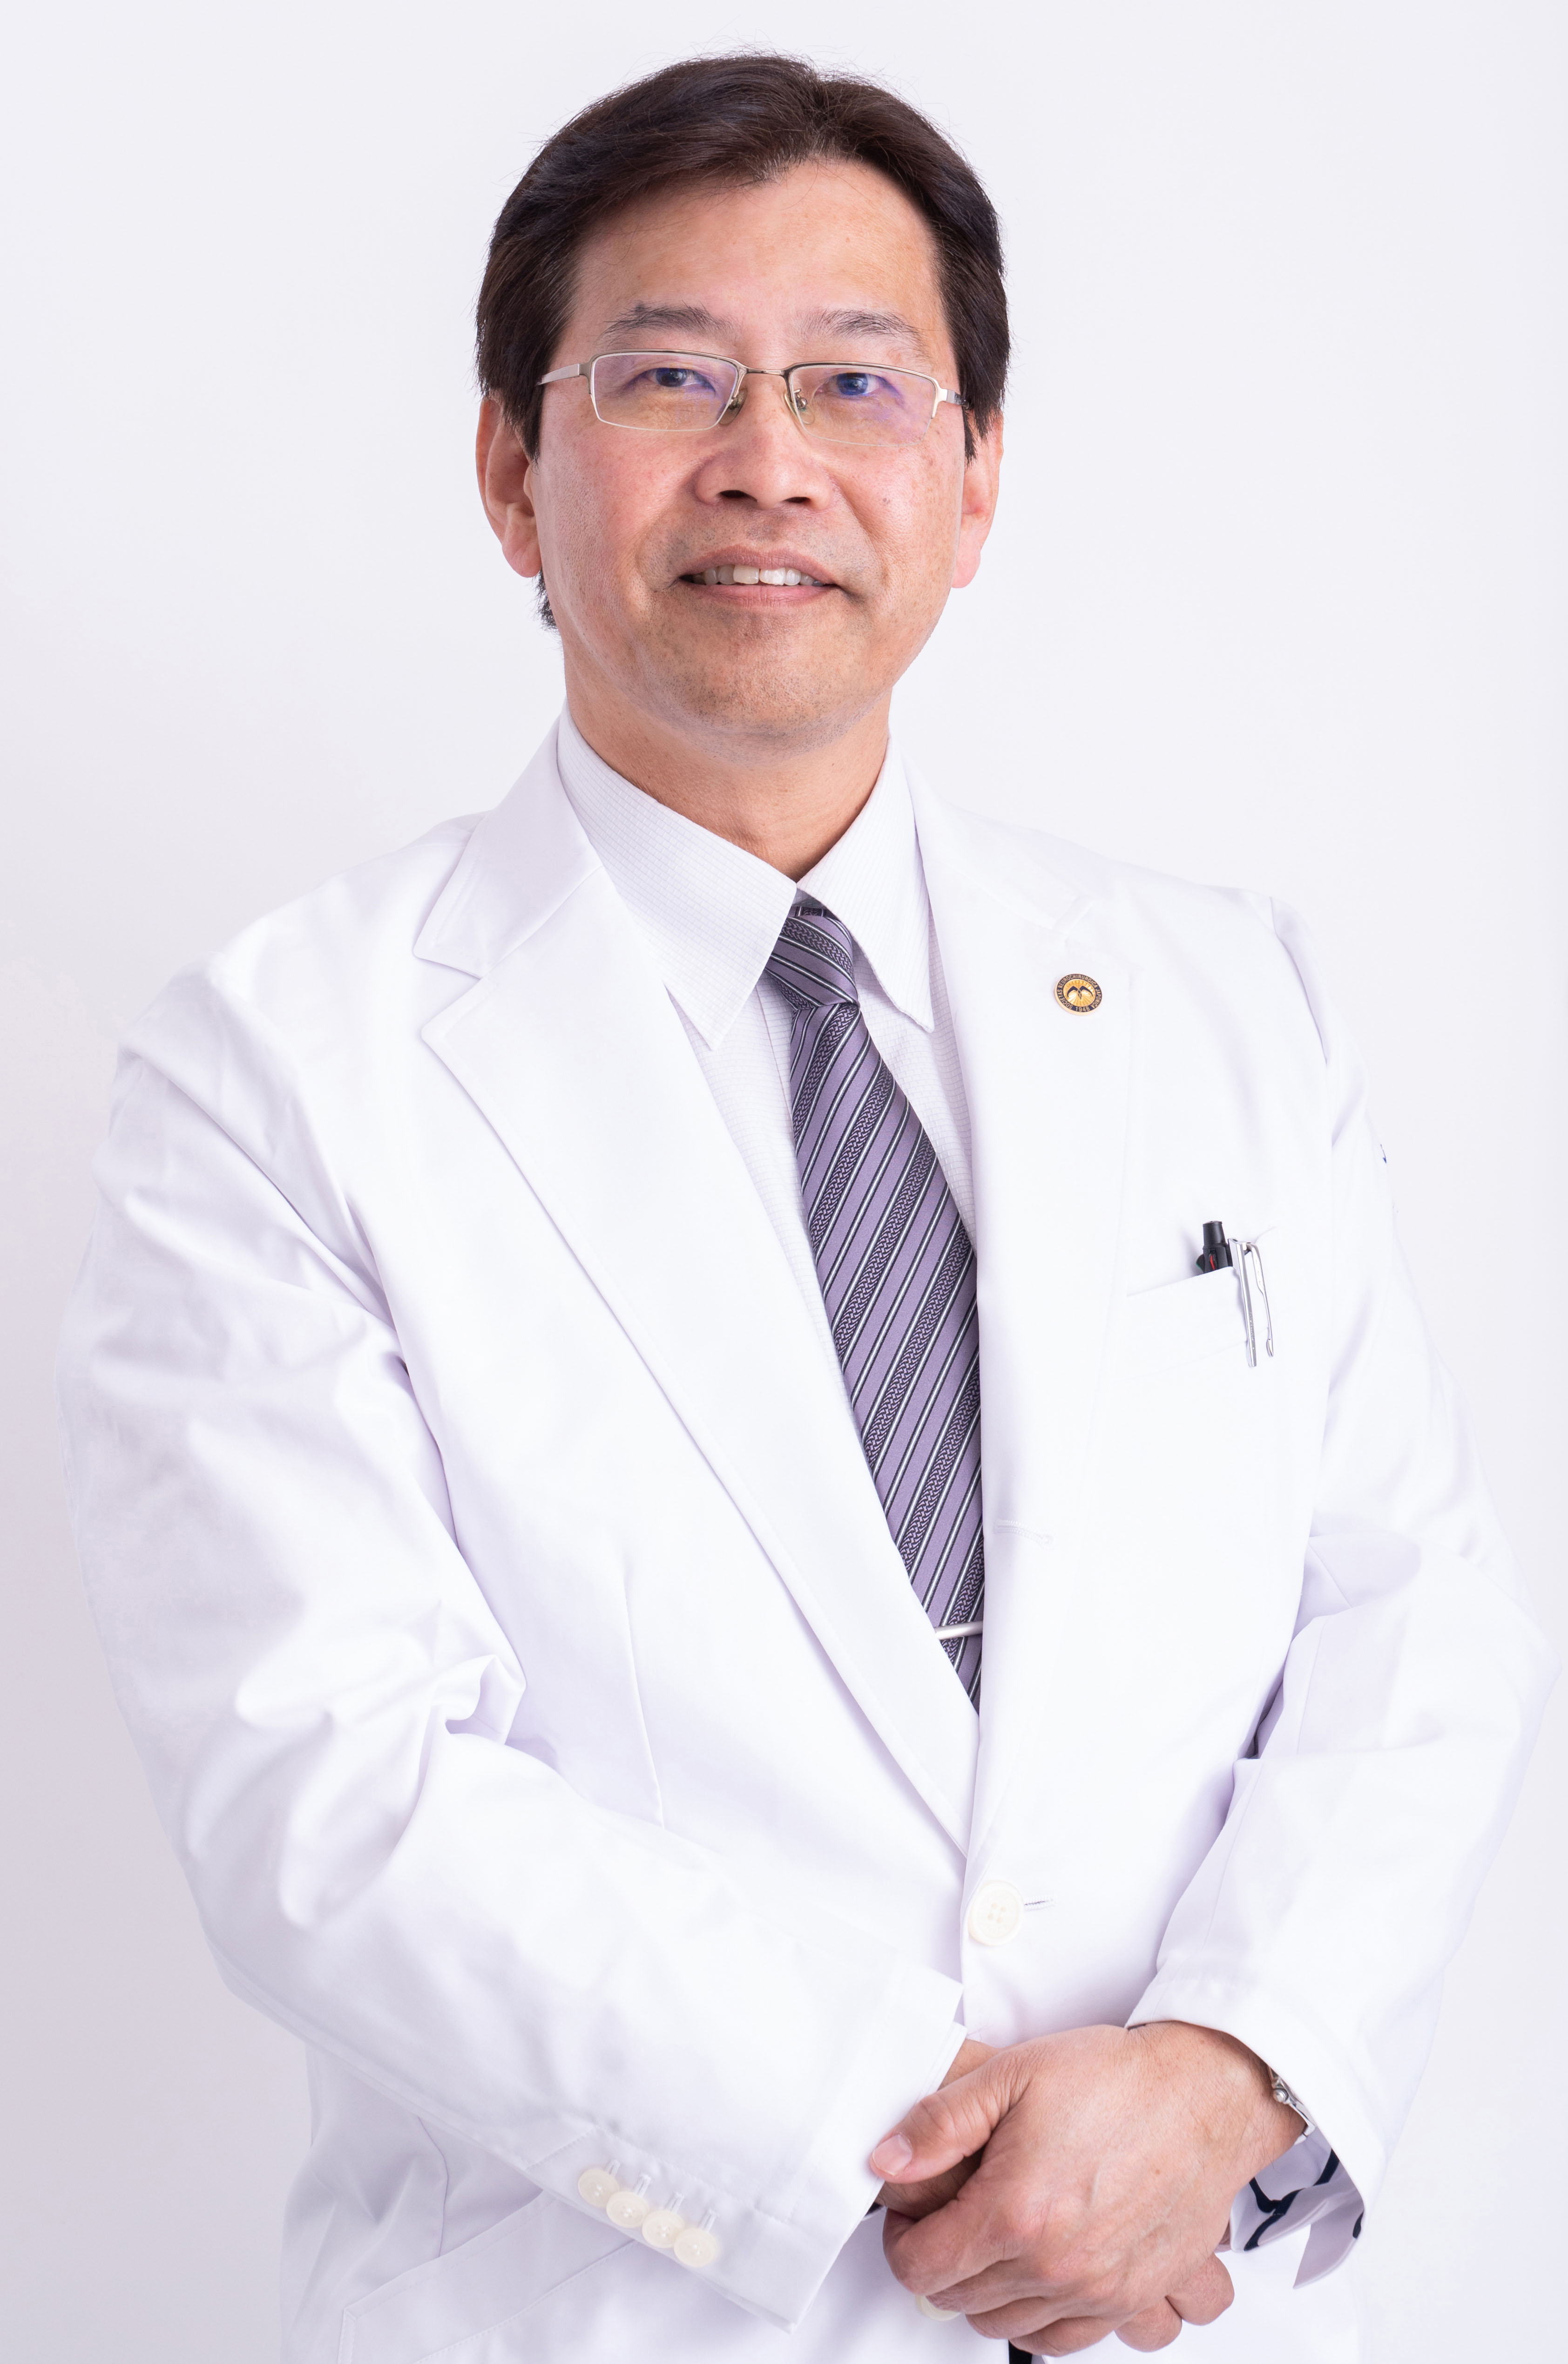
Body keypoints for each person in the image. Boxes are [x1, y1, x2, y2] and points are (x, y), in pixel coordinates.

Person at [57, 51, 1553, 2364]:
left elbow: (1401, 1607)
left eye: (857, 381)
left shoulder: (1222, 997)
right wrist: (963, 2150)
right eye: (669, 377)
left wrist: (1228, 2073)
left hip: (1193, 2304)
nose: (768, 458)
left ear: (971, 480)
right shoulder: (276, 1071)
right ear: (510, 470)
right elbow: (335, 1801)